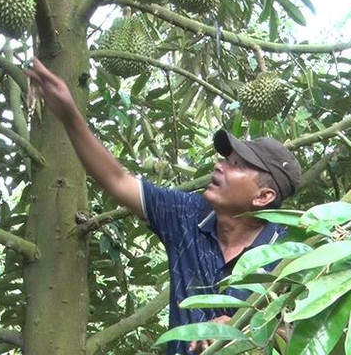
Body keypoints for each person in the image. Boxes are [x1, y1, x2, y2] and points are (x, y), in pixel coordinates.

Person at [25, 58, 301, 355]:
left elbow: (310, 334)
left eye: (235, 165)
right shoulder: (188, 215)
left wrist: (246, 327)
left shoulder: (291, 254)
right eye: (224, 159)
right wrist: (69, 115)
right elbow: (117, 180)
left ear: (263, 197)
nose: (219, 167)